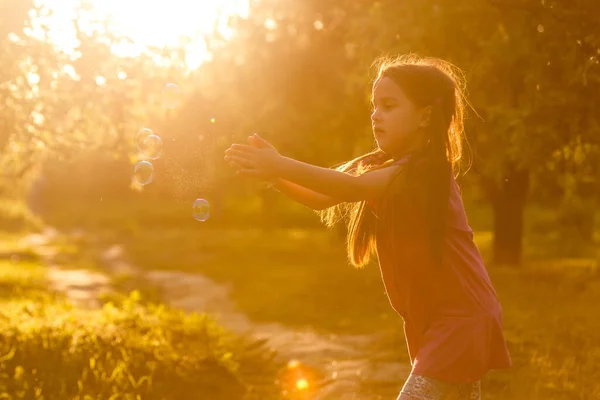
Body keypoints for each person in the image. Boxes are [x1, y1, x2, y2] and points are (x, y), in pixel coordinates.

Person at [224, 53, 512, 400]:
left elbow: (352, 188)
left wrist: (281, 163)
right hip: (443, 318)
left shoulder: (422, 173)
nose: (376, 114)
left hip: (461, 318)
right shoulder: (384, 166)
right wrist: (276, 175)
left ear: (425, 116)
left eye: (389, 105)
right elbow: (320, 196)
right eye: (374, 106)